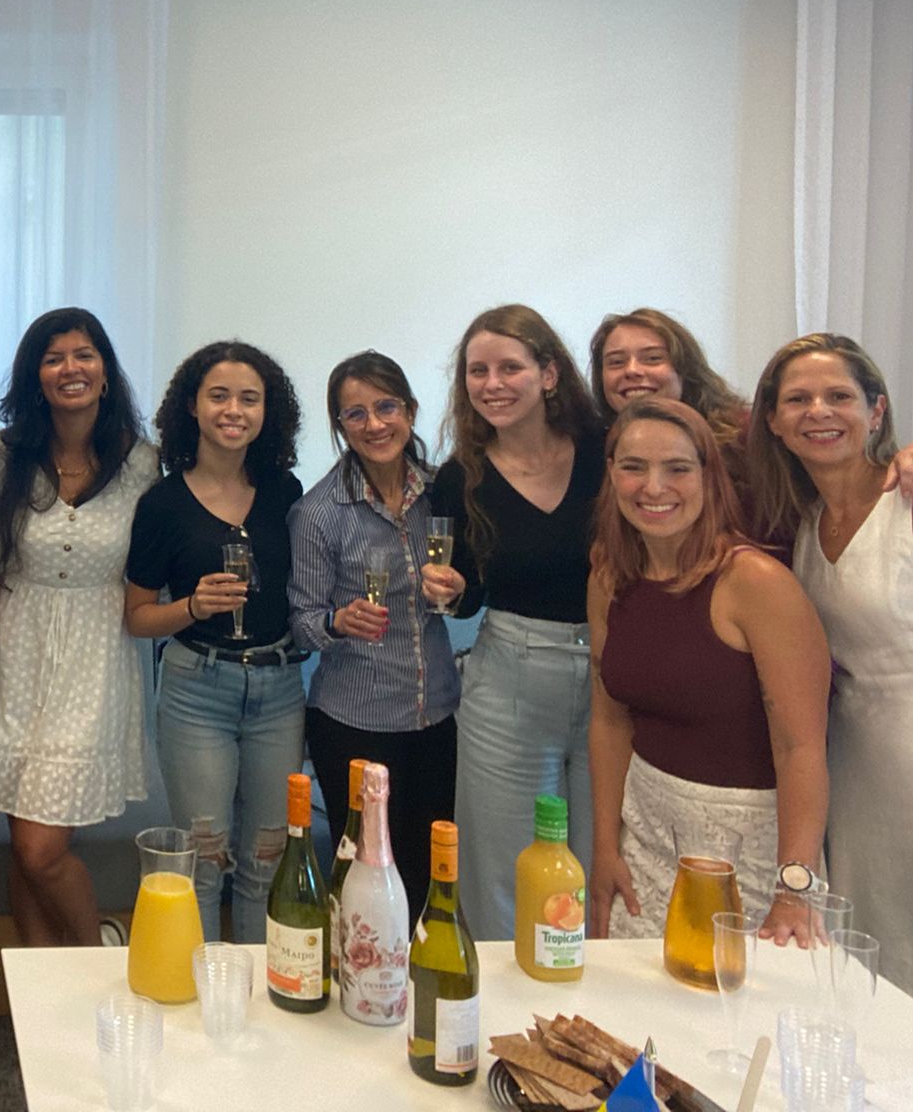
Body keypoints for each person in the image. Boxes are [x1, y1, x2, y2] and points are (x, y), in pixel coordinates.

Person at [749, 333, 913, 1030]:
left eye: (839, 396)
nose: (819, 412)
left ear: (876, 411)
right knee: (889, 1000)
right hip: (863, 793)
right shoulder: (806, 524)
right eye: (798, 399)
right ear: (774, 421)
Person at [586, 398, 831, 947]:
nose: (654, 487)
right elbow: (609, 721)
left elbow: (801, 748)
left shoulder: (755, 583)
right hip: (645, 838)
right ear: (612, 475)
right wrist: (605, 848)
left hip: (749, 848)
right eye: (633, 467)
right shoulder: (607, 575)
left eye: (677, 468)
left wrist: (794, 887)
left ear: (708, 477)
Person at [0, 308, 159, 947]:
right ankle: (40, 990)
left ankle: (100, 958)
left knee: (41, 848)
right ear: (35, 376)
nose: (69, 369)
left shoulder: (144, 465)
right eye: (53, 359)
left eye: (83, 355)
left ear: (105, 372)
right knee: (22, 846)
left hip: (95, 657)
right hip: (13, 654)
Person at [429, 304, 603, 941]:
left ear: (549, 374)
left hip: (611, 679)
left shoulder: (606, 454)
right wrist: (452, 592)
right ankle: (503, 996)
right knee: (501, 870)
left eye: (510, 367)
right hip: (508, 679)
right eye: (478, 371)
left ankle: (588, 993)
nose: (492, 383)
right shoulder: (461, 478)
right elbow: (468, 594)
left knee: (599, 865)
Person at [126, 340, 307, 944]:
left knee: (268, 859)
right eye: (219, 396)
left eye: (249, 398)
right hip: (196, 690)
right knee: (204, 862)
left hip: (280, 688)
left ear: (267, 411)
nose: (234, 410)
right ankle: (203, 995)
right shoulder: (162, 504)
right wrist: (192, 606)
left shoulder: (285, 492)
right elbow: (136, 617)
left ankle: (261, 990)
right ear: (192, 407)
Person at [289, 350, 470, 905]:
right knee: (365, 886)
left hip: (436, 717)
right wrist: (338, 621)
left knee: (430, 878)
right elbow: (301, 626)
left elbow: (472, 591)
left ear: (410, 411)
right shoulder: (319, 512)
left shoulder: (443, 493)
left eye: (386, 407)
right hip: (354, 724)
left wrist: (459, 590)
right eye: (356, 414)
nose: (374, 424)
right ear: (340, 426)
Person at [588, 306, 913, 549]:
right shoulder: (603, 449)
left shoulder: (746, 433)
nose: (632, 371)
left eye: (653, 358)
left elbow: (838, 456)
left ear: (685, 368)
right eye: (615, 362)